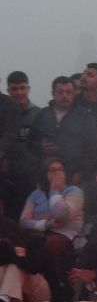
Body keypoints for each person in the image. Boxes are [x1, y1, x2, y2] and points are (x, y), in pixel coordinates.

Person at [19, 158, 85, 302]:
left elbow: (62, 215)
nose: (56, 173)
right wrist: (45, 224)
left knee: (49, 246)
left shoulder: (74, 192)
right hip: (40, 235)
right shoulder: (36, 195)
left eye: (60, 169)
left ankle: (58, 292)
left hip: (67, 236)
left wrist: (55, 190)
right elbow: (24, 221)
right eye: (52, 170)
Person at [28, 76, 97, 185]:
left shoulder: (85, 117)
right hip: (45, 178)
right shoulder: (43, 115)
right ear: (53, 93)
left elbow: (93, 149)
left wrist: (81, 174)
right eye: (60, 92)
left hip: (74, 178)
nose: (64, 96)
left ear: (74, 94)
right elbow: (29, 143)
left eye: (68, 92)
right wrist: (40, 146)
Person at [0, 198, 49, 302]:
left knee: (14, 267)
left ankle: (4, 300)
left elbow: (33, 267)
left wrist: (9, 253)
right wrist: (13, 253)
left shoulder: (34, 240)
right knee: (4, 268)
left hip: (38, 294)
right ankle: (5, 300)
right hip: (17, 296)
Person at [5, 71, 41, 214]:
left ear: (28, 89)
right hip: (7, 177)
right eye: (14, 89)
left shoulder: (39, 115)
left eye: (22, 88)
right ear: (8, 91)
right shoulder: (3, 115)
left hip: (33, 177)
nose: (19, 92)